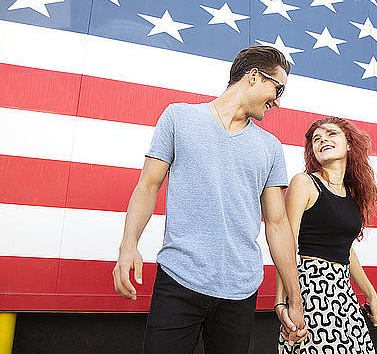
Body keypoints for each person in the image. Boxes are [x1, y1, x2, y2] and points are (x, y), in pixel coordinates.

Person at [112, 46, 307, 354]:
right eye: (278, 88)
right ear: (254, 77)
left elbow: (277, 222)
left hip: (240, 293)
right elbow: (148, 186)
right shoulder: (179, 117)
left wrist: (295, 300)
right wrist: (128, 245)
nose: (278, 101)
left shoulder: (270, 147)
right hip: (178, 281)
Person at [275, 117, 377, 353]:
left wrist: (371, 295)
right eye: (317, 139)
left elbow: (345, 249)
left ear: (349, 144)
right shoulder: (304, 183)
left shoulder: (353, 194)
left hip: (344, 293)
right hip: (309, 289)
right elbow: (285, 243)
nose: (323, 140)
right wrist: (283, 304)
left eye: (331, 134)